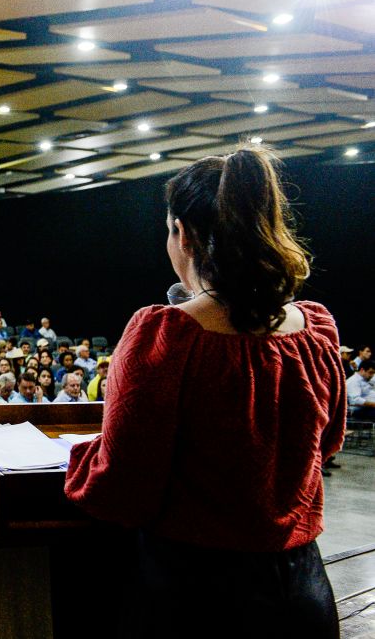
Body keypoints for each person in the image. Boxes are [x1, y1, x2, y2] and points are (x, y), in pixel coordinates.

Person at [65, 148, 345, 637]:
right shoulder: (315, 330)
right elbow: (328, 443)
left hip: (198, 597)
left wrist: (83, 456)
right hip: (302, 594)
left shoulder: (167, 335)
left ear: (183, 234)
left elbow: (123, 486)